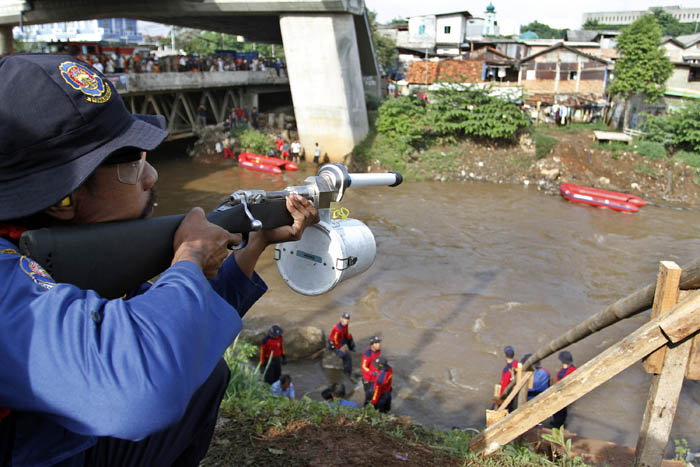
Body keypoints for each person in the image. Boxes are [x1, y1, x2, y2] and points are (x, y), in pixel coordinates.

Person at [0, 54, 319, 466]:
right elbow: (135, 388)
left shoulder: (55, 249)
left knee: (202, 373)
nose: (151, 177)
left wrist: (252, 243)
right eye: (133, 163)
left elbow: (170, 328)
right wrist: (189, 258)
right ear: (64, 198)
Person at [551, 351, 576, 428]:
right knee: (558, 409)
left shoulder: (572, 370)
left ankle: (559, 424)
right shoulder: (567, 369)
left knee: (561, 409)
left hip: (564, 392)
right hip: (559, 391)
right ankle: (557, 422)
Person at [328, 313, 355, 378]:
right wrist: (340, 347)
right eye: (345, 319)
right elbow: (335, 340)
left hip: (340, 340)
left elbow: (346, 333)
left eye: (348, 319)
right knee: (346, 356)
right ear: (341, 319)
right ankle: (347, 373)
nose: (346, 321)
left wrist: (348, 338)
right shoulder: (338, 329)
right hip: (333, 344)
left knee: (350, 338)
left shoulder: (345, 325)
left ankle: (352, 349)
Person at [495, 345, 519, 412]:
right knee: (511, 407)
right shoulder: (517, 363)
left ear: (505, 355)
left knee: (505, 409)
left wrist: (500, 397)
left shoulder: (506, 370)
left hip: (507, 394)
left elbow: (505, 385)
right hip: (513, 392)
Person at [361, 336, 381, 406]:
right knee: (369, 396)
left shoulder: (378, 351)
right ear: (372, 344)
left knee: (375, 394)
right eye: (376, 343)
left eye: (378, 343)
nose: (378, 344)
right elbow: (364, 367)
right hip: (368, 379)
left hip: (375, 377)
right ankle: (365, 409)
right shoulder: (367, 354)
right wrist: (372, 373)